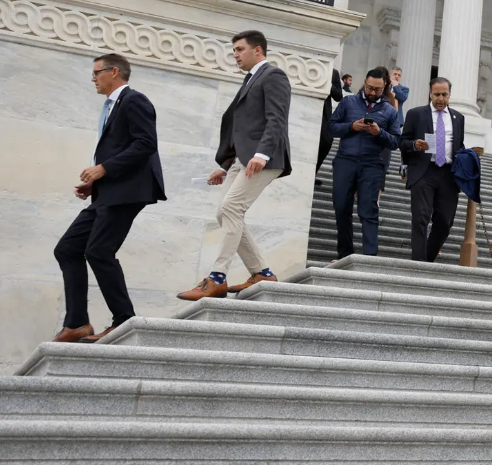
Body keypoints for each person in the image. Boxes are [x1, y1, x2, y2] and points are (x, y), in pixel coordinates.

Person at [52, 53, 166, 342]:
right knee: (67, 249)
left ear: (114, 72)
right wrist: (96, 183)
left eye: (96, 72)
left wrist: (104, 168)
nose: (93, 78)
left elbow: (145, 144)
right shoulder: (113, 106)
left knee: (99, 251)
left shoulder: (134, 100)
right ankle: (77, 322)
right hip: (109, 191)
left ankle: (125, 320)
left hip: (127, 192)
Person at [178, 30, 289, 301]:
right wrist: (227, 166)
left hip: (265, 157)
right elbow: (241, 128)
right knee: (224, 213)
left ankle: (217, 277)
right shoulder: (250, 80)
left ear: (258, 51)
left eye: (240, 49)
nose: (235, 55)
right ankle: (261, 272)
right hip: (242, 159)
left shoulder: (273, 75)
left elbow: (277, 118)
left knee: (231, 208)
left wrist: (262, 154)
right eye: (234, 50)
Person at [329, 66, 401, 258]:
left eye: (377, 89)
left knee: (368, 210)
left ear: (384, 87)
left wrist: (380, 133)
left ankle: (370, 257)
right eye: (369, 88)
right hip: (345, 160)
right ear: (364, 83)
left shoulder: (390, 111)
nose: (372, 92)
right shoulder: (348, 102)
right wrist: (351, 127)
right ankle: (344, 255)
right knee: (341, 207)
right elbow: (332, 127)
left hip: (372, 163)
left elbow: (395, 142)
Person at [399, 78, 465, 262]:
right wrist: (414, 144)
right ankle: (419, 263)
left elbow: (458, 144)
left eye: (444, 94)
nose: (441, 99)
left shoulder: (458, 118)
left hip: (449, 174)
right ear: (430, 94)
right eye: (437, 94)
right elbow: (402, 141)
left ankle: (427, 259)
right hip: (424, 171)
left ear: (449, 95)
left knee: (445, 222)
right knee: (421, 216)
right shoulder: (416, 114)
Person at [315, 69, 344, 175]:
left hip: (324, 114)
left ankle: (314, 173)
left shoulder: (333, 72)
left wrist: (328, 83)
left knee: (326, 142)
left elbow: (338, 96)